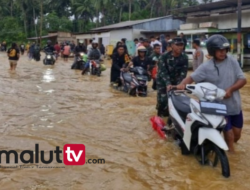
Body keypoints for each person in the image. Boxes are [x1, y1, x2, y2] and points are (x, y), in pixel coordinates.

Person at [168, 35, 247, 152]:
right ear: (212, 51)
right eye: (219, 50)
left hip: (235, 105)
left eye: (224, 50)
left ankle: (226, 150)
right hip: (219, 107)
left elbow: (243, 80)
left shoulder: (232, 61)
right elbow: (190, 79)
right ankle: (230, 159)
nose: (222, 53)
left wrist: (230, 89)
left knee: (237, 135)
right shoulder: (206, 67)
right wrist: (180, 86)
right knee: (229, 135)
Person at [156, 37, 188, 117]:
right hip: (163, 82)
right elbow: (163, 72)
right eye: (177, 45)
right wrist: (168, 83)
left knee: (177, 100)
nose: (180, 47)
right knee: (163, 101)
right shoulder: (164, 57)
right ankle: (161, 116)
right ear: (172, 46)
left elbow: (183, 72)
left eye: (182, 45)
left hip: (176, 81)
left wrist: (179, 85)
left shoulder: (184, 57)